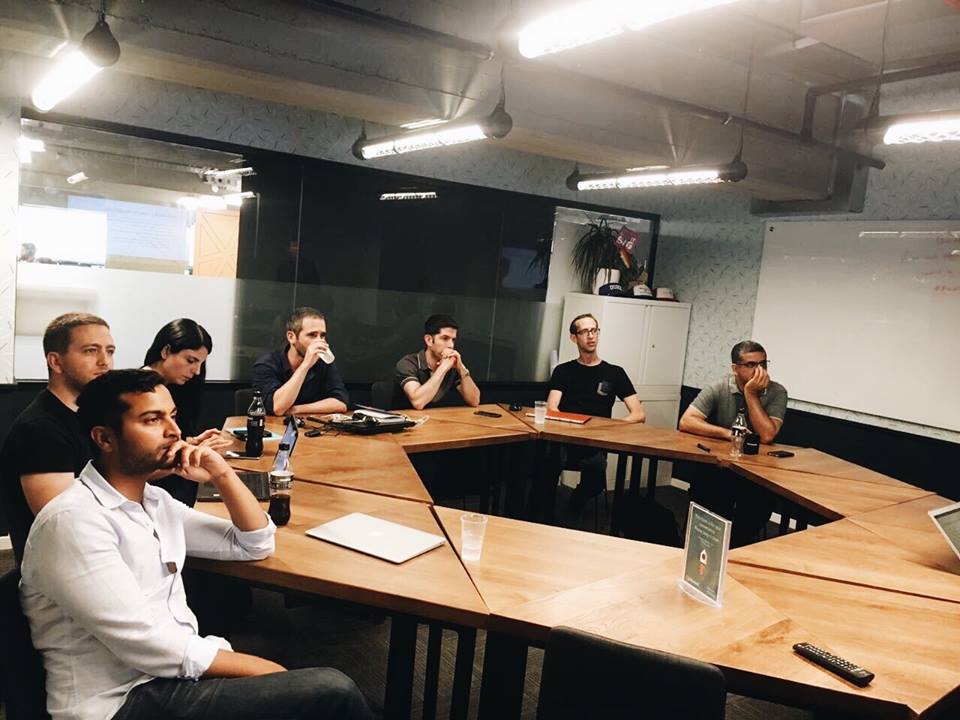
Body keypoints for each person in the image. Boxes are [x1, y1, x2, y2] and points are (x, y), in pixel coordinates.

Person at [19, 369, 373, 720]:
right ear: (105, 438)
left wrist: (222, 473)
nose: (174, 431)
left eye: (171, 416)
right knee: (331, 691)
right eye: (152, 420)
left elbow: (254, 543)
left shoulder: (153, 502)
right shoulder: (74, 520)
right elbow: (146, 643)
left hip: (168, 677)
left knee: (320, 692)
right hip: (120, 701)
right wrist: (267, 671)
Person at [0, 312, 115, 565]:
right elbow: (66, 527)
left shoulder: (88, 418)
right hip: (58, 573)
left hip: (94, 557)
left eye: (110, 351)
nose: (105, 362)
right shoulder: (39, 430)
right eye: (90, 351)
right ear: (56, 362)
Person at [533, 313, 645, 521]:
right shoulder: (563, 371)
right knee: (547, 463)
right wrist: (571, 427)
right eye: (585, 331)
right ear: (574, 337)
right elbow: (552, 407)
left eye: (594, 330)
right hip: (565, 439)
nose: (591, 336)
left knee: (596, 472)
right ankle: (542, 517)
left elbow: (638, 414)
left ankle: (577, 499)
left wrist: (608, 426)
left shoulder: (615, 373)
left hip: (595, 442)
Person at [678, 340, 788, 545]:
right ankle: (707, 546)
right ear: (735, 368)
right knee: (709, 492)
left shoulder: (777, 391)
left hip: (756, 471)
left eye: (763, 364)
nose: (759, 370)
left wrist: (750, 393)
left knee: (761, 504)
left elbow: (767, 435)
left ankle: (735, 548)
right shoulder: (719, 386)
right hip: (720, 468)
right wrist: (729, 434)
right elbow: (686, 421)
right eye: (751, 365)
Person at [143, 318, 230, 506]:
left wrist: (191, 442)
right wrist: (188, 455)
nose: (196, 371)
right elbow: (134, 467)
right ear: (166, 351)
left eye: (201, 364)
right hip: (153, 494)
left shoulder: (174, 387)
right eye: (190, 361)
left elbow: (163, 446)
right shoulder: (139, 393)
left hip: (174, 485)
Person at [253, 307, 349, 416]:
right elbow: (278, 408)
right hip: (273, 425)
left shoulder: (323, 362)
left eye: (322, 335)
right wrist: (305, 366)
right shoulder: (266, 364)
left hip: (309, 424)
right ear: (291, 337)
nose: (320, 341)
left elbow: (341, 402)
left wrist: (296, 409)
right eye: (312, 335)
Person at [395, 314, 481, 409]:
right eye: (445, 338)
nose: (451, 345)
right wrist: (443, 368)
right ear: (429, 340)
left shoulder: (452, 364)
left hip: (440, 417)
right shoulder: (407, 363)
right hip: (408, 417)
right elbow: (418, 402)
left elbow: (474, 401)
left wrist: (461, 368)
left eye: (453, 340)